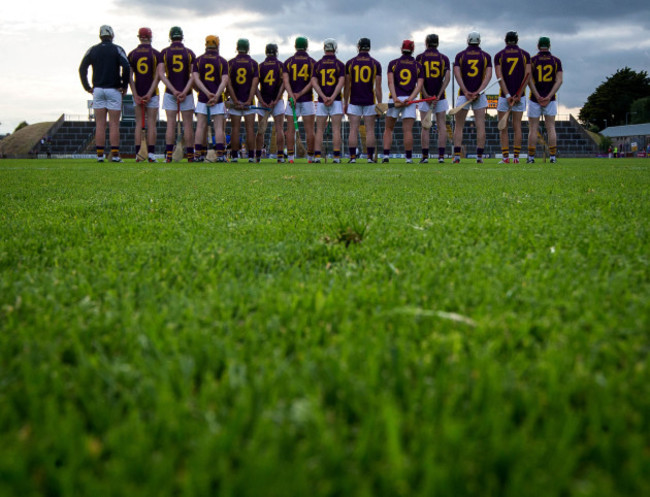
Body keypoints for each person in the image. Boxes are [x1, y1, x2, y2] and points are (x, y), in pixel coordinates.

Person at [79, 25, 130, 162]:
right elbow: (126, 66)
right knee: (114, 124)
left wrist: (87, 87)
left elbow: (82, 68)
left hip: (98, 89)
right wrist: (124, 85)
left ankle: (100, 155)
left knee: (100, 124)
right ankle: (115, 155)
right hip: (113, 89)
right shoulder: (117, 49)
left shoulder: (92, 50)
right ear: (112, 35)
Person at [452, 31, 492, 164]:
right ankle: (479, 157)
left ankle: (457, 157)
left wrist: (466, 91)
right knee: (480, 127)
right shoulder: (486, 56)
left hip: (463, 95)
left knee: (459, 126)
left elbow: (457, 75)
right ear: (479, 41)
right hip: (479, 96)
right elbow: (488, 76)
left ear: (467, 40)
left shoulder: (460, 55)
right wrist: (478, 92)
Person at [158, 26, 196, 162]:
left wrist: (173, 90)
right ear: (182, 36)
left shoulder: (164, 52)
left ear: (170, 37)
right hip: (188, 93)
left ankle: (169, 156)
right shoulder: (189, 53)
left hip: (170, 92)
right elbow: (193, 76)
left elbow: (161, 74)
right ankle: (190, 156)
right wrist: (184, 91)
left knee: (170, 125)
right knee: (188, 125)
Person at [382, 40, 423, 163]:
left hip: (394, 100)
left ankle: (386, 156)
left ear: (401, 49)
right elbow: (419, 85)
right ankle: (408, 158)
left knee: (389, 129)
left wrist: (395, 98)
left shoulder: (393, 63)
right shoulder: (418, 65)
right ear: (413, 49)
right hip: (409, 101)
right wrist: (410, 99)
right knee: (408, 130)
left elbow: (390, 83)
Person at [494, 31, 531, 164]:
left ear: (505, 40)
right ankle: (516, 158)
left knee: (503, 128)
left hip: (504, 96)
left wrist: (508, 95)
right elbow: (527, 75)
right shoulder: (525, 55)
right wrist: (519, 94)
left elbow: (500, 77)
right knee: (517, 127)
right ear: (517, 40)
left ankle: (505, 158)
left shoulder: (499, 55)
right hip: (520, 96)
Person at [344, 37, 382, 163]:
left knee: (353, 129)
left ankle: (352, 158)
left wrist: (345, 102)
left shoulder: (350, 63)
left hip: (354, 100)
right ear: (369, 47)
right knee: (370, 130)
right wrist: (380, 105)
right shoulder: (375, 63)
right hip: (369, 100)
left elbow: (347, 86)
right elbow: (378, 88)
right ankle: (370, 158)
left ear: (358, 46)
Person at [192, 35, 229, 162]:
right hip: (217, 99)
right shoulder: (222, 61)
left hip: (203, 98)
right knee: (219, 127)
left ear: (206, 44)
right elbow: (224, 81)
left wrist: (207, 93)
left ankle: (197, 155)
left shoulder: (198, 61)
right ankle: (220, 155)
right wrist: (216, 95)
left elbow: (195, 79)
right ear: (218, 45)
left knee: (200, 127)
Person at [526, 36, 563, 163]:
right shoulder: (556, 61)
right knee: (551, 128)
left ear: (538, 46)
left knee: (533, 129)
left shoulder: (532, 60)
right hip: (550, 99)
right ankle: (552, 157)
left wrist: (537, 95)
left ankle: (531, 158)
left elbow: (528, 79)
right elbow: (559, 80)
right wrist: (548, 96)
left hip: (534, 99)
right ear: (549, 46)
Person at [416, 33, 451, 163]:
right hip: (440, 98)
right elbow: (447, 78)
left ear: (426, 43)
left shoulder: (419, 57)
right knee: (441, 125)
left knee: (425, 126)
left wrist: (425, 95)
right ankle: (441, 157)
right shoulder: (444, 58)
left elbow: (417, 79)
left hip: (424, 98)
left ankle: (425, 157)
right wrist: (438, 94)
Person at [128, 27, 161, 163]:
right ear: (150, 37)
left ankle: (138, 154)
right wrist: (149, 93)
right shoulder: (156, 54)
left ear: (139, 37)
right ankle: (151, 154)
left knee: (138, 124)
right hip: (152, 93)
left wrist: (135, 94)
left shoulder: (132, 54)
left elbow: (129, 76)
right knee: (152, 123)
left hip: (138, 92)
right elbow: (158, 76)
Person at [311, 38, 346, 163]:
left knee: (319, 129)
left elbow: (314, 82)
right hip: (336, 100)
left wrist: (323, 96)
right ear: (335, 48)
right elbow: (341, 83)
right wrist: (332, 96)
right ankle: (336, 157)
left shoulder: (318, 64)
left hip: (321, 101)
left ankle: (317, 157)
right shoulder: (340, 64)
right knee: (336, 129)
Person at [283, 37, 316, 163]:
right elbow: (313, 82)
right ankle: (310, 158)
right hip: (307, 99)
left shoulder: (288, 62)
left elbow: (286, 82)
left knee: (290, 130)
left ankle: (291, 158)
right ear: (307, 46)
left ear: (295, 46)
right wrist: (301, 93)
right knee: (309, 130)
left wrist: (292, 95)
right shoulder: (312, 62)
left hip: (292, 101)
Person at [226, 39, 259, 163]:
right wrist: (248, 101)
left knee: (235, 129)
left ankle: (234, 157)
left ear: (237, 47)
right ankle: (251, 156)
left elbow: (228, 84)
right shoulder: (253, 63)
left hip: (235, 103)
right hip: (249, 102)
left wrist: (235, 101)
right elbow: (254, 85)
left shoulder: (231, 63)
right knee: (250, 129)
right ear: (248, 48)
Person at [256, 43, 286, 163]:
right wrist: (277, 99)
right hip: (277, 101)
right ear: (276, 52)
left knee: (261, 130)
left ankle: (257, 157)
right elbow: (284, 84)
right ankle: (279, 156)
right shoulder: (281, 65)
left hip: (263, 101)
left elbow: (255, 86)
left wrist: (262, 100)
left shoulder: (260, 66)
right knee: (279, 129)